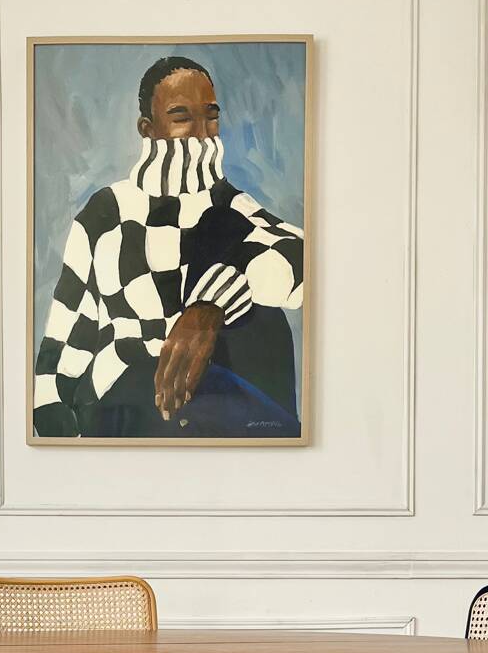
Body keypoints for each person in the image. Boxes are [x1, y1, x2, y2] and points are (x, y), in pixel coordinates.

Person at [33, 54, 304, 440]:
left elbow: (302, 259)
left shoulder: (229, 207)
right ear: (148, 128)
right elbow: (62, 347)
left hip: (216, 410)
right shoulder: (105, 214)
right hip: (120, 414)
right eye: (181, 117)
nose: (201, 132)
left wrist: (210, 306)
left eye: (211, 116)